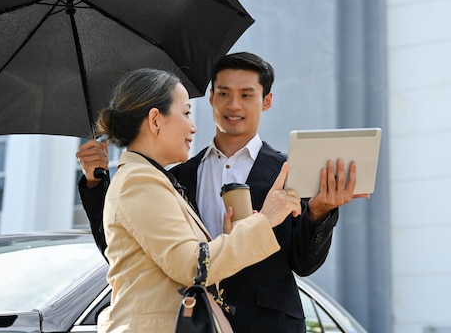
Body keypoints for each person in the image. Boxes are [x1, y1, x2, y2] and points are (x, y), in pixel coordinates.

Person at [77, 52, 366, 332]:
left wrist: (319, 212)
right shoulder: (168, 178)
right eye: (224, 93)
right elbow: (135, 255)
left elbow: (304, 263)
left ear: (267, 101)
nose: (234, 105)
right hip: (189, 322)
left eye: (247, 94)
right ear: (212, 97)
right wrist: (96, 184)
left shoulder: (288, 173)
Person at [91, 68, 302, 332]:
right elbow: (193, 266)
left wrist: (231, 236)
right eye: (186, 112)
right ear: (155, 120)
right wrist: (265, 219)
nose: (193, 126)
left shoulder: (148, 178)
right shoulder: (139, 182)